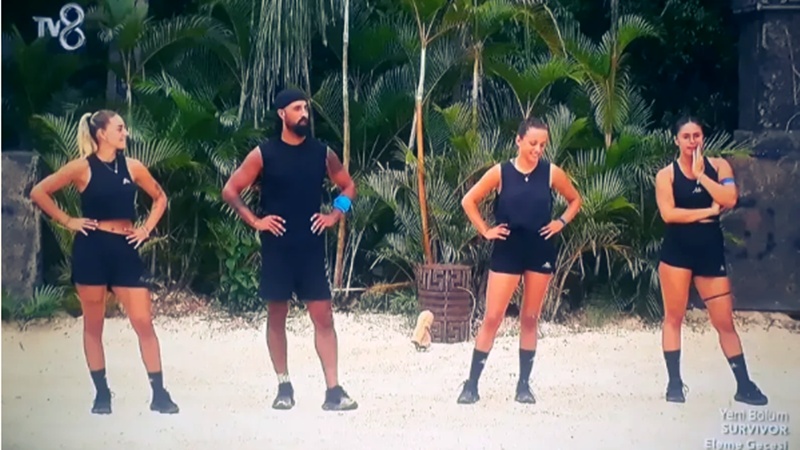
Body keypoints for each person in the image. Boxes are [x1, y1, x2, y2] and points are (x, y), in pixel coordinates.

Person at [29, 110, 179, 415]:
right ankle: (101, 394)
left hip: (125, 248)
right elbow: (38, 192)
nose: (125, 133)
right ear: (102, 134)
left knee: (143, 321)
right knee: (93, 323)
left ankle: (159, 393)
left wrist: (146, 229)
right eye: (120, 128)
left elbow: (160, 198)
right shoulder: (82, 167)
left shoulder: (133, 167)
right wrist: (68, 220)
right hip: (92, 249)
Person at [222, 88, 358, 411]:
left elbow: (349, 186)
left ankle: (333, 391)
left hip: (311, 246)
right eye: (297, 108)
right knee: (276, 315)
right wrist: (256, 221)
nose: (304, 114)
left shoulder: (322, 153)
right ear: (282, 114)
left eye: (306, 108)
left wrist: (334, 215)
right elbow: (230, 190)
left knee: (324, 317)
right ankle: (284, 386)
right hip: (278, 248)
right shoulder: (264, 154)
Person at [456, 116, 582, 404]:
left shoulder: (551, 173)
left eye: (543, 145)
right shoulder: (501, 172)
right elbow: (468, 201)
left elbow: (575, 200)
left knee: (530, 317)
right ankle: (471, 384)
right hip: (508, 250)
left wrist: (561, 222)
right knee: (493, 317)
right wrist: (485, 230)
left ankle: (523, 385)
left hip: (539, 250)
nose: (538, 149)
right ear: (519, 140)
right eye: (533, 143)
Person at [655, 116, 768, 405]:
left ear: (703, 138)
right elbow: (669, 214)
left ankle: (744, 385)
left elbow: (730, 198)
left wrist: (701, 176)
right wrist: (707, 211)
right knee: (674, 317)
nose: (692, 141)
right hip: (677, 252)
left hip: (709, 252)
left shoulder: (719, 167)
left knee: (724, 321)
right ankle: (675, 384)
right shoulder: (666, 175)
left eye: (697, 135)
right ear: (676, 140)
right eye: (686, 136)